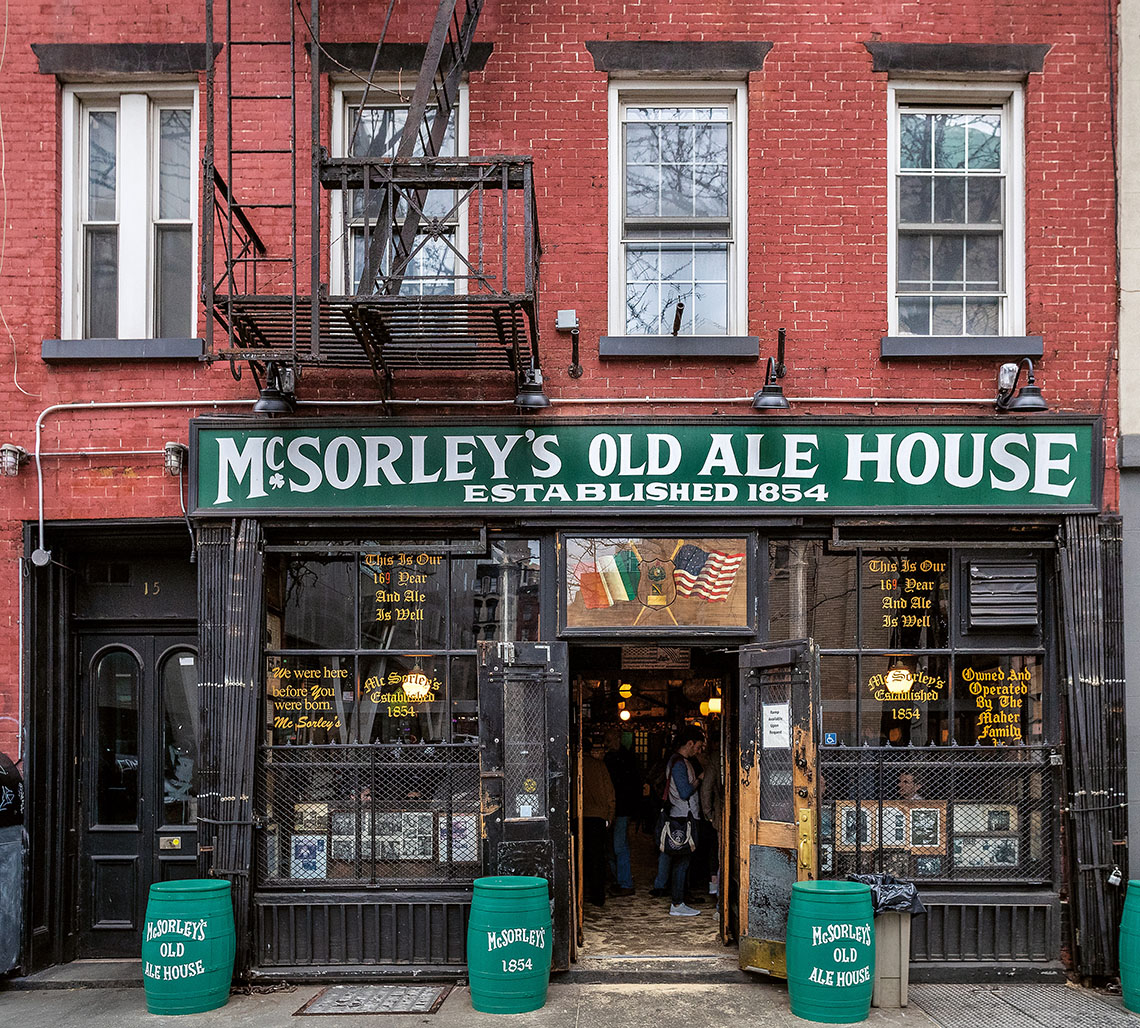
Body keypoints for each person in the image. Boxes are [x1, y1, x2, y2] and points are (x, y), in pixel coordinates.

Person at [650, 726, 704, 916]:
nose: (698, 751)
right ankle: (677, 903)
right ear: (689, 743)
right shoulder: (679, 763)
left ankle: (680, 900)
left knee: (682, 860)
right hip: (683, 816)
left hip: (682, 814)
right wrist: (699, 779)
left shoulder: (678, 761)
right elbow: (684, 792)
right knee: (682, 860)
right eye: (698, 746)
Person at [603, 727, 641, 896]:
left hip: (621, 808)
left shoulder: (620, 758)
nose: (606, 743)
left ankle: (624, 883)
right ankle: (619, 881)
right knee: (613, 846)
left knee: (618, 846)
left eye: (609, 740)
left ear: (617, 739)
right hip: (616, 807)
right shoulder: (624, 757)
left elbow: (630, 785)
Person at [581, 734, 616, 907]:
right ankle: (598, 896)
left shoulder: (575, 766)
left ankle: (581, 893)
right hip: (598, 817)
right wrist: (609, 817)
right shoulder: (600, 766)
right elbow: (610, 793)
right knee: (597, 858)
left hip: (579, 817)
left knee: (580, 856)